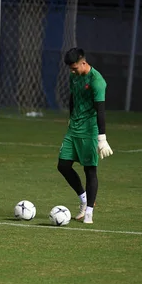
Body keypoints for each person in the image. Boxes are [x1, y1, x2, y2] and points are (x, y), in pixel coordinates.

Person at [57, 47, 113, 224]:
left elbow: (101, 111)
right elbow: (73, 97)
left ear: (84, 62)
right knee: (63, 165)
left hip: (89, 131)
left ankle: (89, 212)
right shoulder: (74, 75)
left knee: (90, 170)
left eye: (74, 68)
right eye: (70, 68)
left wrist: (102, 139)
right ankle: (84, 200)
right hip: (73, 128)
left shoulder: (97, 81)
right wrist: (70, 118)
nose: (72, 71)